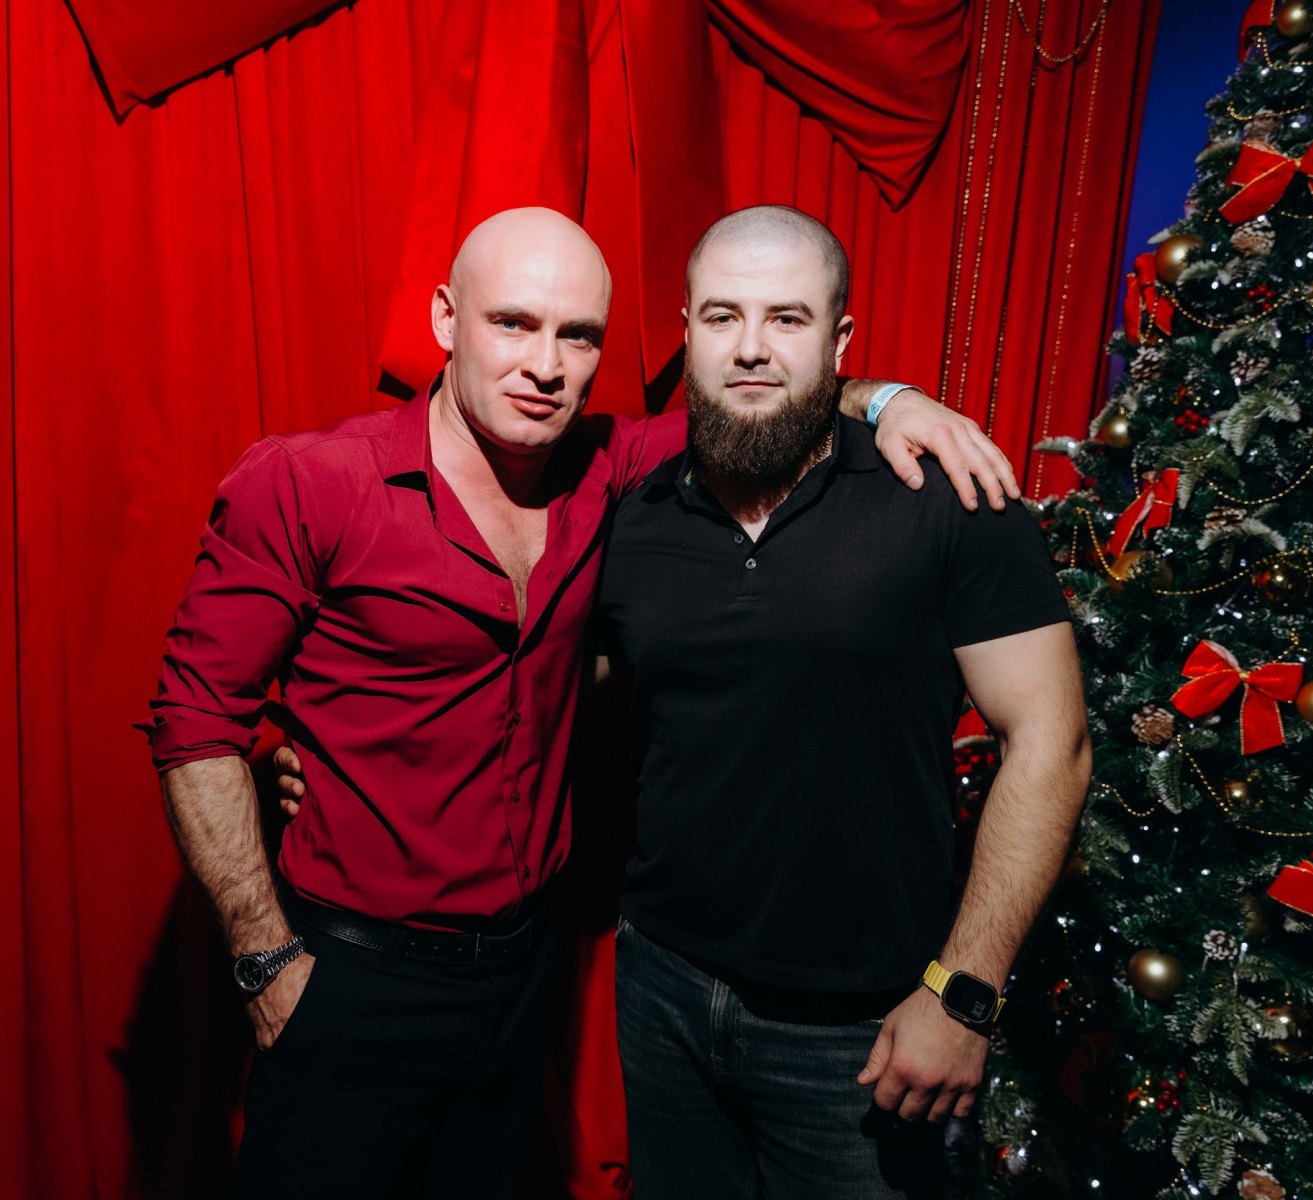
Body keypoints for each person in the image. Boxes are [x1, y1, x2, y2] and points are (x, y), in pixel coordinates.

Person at [143, 206, 1021, 1198]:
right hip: (351, 974)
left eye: (578, 336)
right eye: (512, 324)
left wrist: (890, 399)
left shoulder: (610, 469)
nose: (544, 365)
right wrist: (264, 959)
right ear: (445, 320)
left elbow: (763, 398)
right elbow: (194, 723)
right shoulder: (311, 483)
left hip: (521, 978)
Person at [588, 206, 1091, 1198]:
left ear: (840, 338)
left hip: (861, 1030)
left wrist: (964, 992)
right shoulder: (632, 515)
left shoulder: (944, 498)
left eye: (787, 318)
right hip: (661, 985)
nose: (751, 347)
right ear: (686, 331)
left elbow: (1052, 741)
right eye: (724, 316)